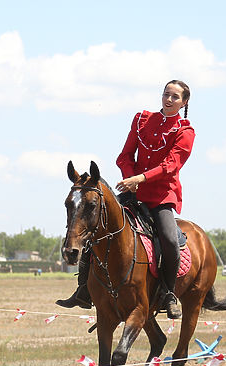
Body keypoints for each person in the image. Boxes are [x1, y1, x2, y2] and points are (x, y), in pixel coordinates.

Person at [56, 80, 195, 319]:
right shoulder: (141, 119)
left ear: (184, 103)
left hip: (161, 196)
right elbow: (125, 155)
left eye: (175, 97)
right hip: (133, 191)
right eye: (166, 94)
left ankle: (169, 294)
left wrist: (139, 178)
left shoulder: (185, 132)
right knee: (95, 227)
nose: (168, 99)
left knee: (171, 240)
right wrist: (130, 179)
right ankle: (83, 289)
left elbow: (170, 166)